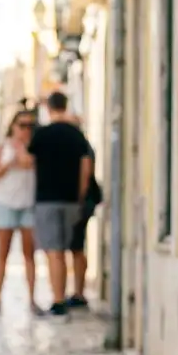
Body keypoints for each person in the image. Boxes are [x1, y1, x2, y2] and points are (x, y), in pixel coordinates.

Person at [28, 92, 94, 318]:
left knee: (54, 252)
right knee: (76, 248)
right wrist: (80, 195)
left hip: (47, 199)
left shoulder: (41, 134)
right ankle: (78, 293)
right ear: (66, 105)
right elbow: (86, 166)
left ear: (49, 108)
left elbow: (29, 162)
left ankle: (58, 299)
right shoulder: (76, 135)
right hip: (71, 199)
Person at [0, 110, 40, 315]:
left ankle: (32, 299)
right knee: (3, 253)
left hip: (27, 204)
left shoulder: (35, 147)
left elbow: (29, 164)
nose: (25, 129)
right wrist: (10, 162)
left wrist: (23, 155)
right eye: (22, 125)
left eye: (29, 126)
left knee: (29, 254)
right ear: (13, 126)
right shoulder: (3, 147)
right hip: (5, 203)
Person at [62, 112, 103, 309]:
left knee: (76, 246)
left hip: (80, 201)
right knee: (75, 246)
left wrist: (78, 199)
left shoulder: (81, 146)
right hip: (80, 200)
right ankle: (76, 290)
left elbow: (86, 173)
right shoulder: (81, 145)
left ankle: (79, 291)